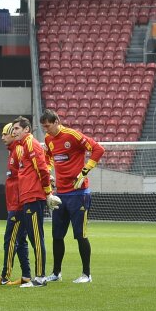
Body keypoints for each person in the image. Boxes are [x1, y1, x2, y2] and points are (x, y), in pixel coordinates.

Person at [41, 109, 105, 284]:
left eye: (48, 126)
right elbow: (48, 157)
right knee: (57, 236)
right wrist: (48, 172)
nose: (46, 130)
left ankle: (87, 274)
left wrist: (84, 171)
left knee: (80, 235)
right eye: (44, 127)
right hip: (60, 194)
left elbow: (98, 149)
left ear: (56, 122)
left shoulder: (73, 135)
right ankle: (56, 273)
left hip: (79, 194)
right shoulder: (48, 139)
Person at [10, 116, 54, 287]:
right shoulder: (23, 146)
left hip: (34, 196)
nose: (14, 132)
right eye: (13, 129)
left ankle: (41, 277)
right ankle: (39, 275)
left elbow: (42, 168)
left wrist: (48, 192)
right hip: (28, 196)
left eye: (17, 129)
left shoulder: (30, 143)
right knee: (34, 236)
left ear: (26, 130)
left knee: (36, 237)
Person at [0, 123, 30, 287]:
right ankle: (26, 275)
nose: (2, 137)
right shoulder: (13, 151)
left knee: (10, 241)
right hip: (16, 204)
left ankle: (5, 276)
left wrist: (20, 203)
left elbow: (24, 178)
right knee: (21, 241)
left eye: (5, 134)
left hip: (18, 206)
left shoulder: (19, 151)